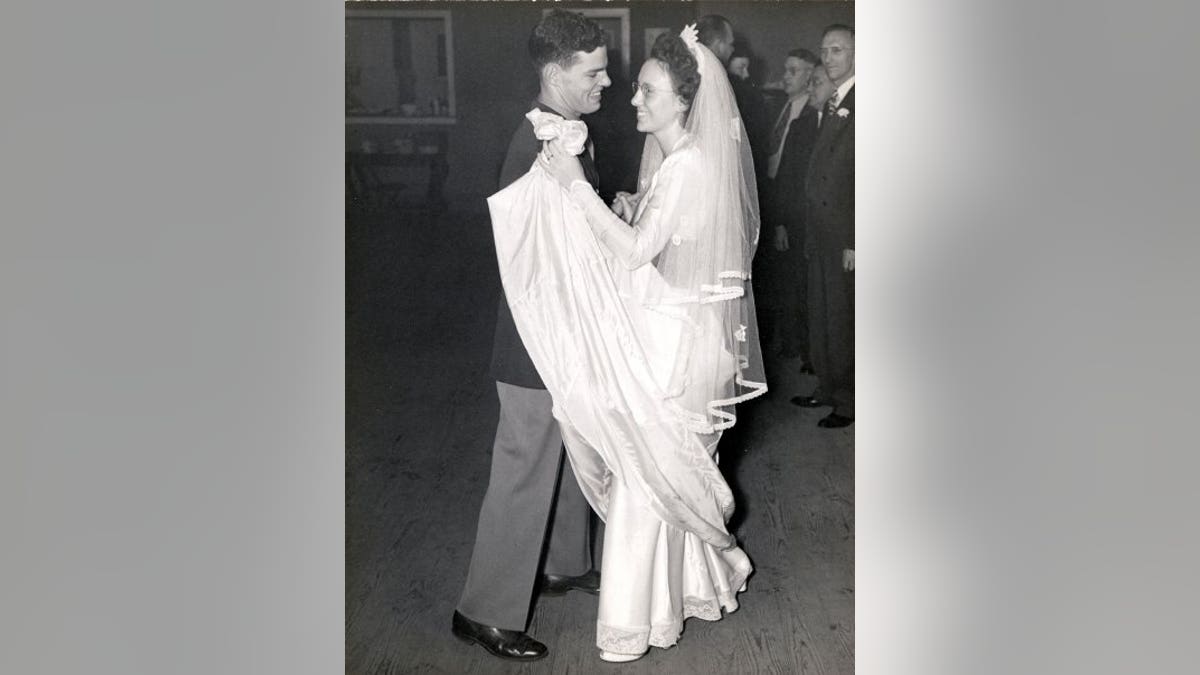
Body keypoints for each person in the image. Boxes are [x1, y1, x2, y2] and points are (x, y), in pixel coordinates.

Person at [523, 25, 766, 662]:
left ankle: (632, 627)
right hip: (666, 330)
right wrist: (630, 206)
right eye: (636, 87)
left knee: (643, 478)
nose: (634, 98)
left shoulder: (688, 164)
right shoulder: (674, 160)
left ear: (685, 102)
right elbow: (665, 241)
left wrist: (576, 184)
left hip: (677, 344)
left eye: (649, 90)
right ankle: (687, 591)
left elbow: (636, 253)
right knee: (655, 477)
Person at [451, 9, 610, 662]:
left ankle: (565, 562)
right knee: (523, 464)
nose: (606, 82)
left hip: (562, 327)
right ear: (555, 73)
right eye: (594, 72)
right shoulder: (543, 141)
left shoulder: (565, 131)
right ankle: (482, 609)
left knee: (574, 444)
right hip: (533, 335)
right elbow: (534, 255)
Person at [790, 25, 855, 429]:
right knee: (823, 315)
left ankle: (847, 400)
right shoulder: (835, 100)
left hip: (843, 233)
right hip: (821, 230)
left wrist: (855, 239)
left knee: (843, 317)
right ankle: (828, 388)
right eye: (824, 49)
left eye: (838, 50)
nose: (829, 57)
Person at [762, 49, 820, 366]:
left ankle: (798, 343)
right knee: (780, 274)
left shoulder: (810, 113)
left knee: (796, 275)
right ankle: (788, 339)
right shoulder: (783, 107)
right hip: (775, 193)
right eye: (786, 69)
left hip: (795, 204)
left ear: (810, 75)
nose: (786, 76)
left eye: (793, 70)